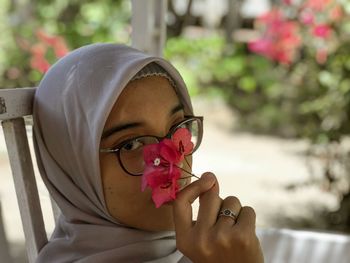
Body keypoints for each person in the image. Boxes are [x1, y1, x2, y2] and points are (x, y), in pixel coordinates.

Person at [33, 43, 264, 263]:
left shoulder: (211, 250)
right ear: (73, 169)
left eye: (178, 128)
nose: (173, 163)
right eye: (131, 144)